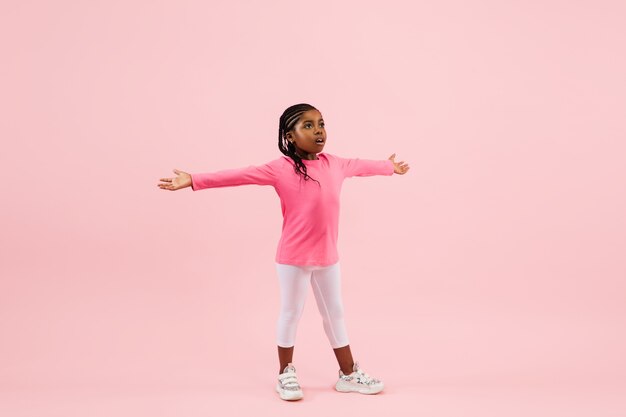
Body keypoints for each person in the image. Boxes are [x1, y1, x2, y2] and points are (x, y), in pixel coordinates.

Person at [157, 103, 410, 401]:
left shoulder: (335, 164)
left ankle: (348, 374)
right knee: (292, 313)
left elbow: (362, 165)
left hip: (328, 257)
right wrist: (195, 180)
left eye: (321, 123)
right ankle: (285, 373)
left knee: (336, 313)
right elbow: (239, 175)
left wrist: (387, 167)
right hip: (293, 259)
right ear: (289, 136)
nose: (318, 130)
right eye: (308, 125)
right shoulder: (280, 169)